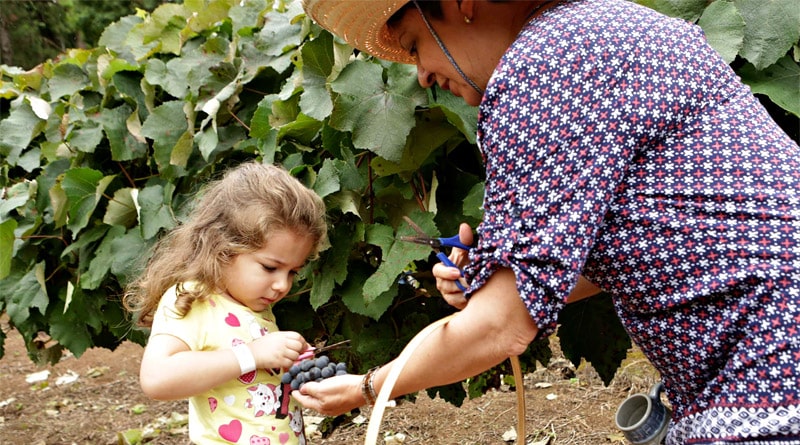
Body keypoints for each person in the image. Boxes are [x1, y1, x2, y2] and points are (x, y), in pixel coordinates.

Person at [294, 0, 800, 443]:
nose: (422, 74)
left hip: (768, 377)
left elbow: (501, 329)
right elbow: (669, 242)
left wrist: (367, 389)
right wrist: (505, 278)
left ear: (462, 3)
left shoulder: (541, 67)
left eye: (414, 42)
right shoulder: (609, 29)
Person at [124, 161, 327, 444]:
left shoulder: (255, 306)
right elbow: (157, 379)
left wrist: (293, 368)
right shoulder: (192, 297)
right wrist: (251, 355)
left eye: (293, 271)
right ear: (222, 248)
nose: (283, 285)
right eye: (270, 267)